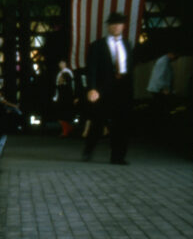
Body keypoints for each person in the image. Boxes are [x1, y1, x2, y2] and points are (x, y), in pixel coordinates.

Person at [82, 12, 134, 164]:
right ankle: (89, 149)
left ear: (123, 26)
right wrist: (92, 88)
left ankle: (118, 156)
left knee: (121, 123)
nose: (116, 26)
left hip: (123, 88)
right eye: (113, 24)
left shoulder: (127, 44)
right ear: (108, 27)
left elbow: (129, 67)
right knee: (98, 122)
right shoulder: (97, 45)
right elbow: (91, 68)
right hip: (103, 89)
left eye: (119, 24)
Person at [146, 50, 179, 136]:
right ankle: (158, 130)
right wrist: (164, 89)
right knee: (159, 110)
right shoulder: (164, 61)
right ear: (171, 54)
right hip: (159, 89)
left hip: (158, 89)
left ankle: (156, 129)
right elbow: (160, 76)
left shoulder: (164, 61)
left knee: (158, 109)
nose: (176, 58)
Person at [53, 60, 76, 137]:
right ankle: (68, 129)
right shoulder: (59, 73)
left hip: (66, 98)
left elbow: (72, 85)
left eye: (62, 63)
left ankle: (66, 131)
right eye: (60, 63)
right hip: (60, 96)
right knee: (60, 116)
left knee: (63, 115)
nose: (61, 64)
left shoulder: (68, 72)